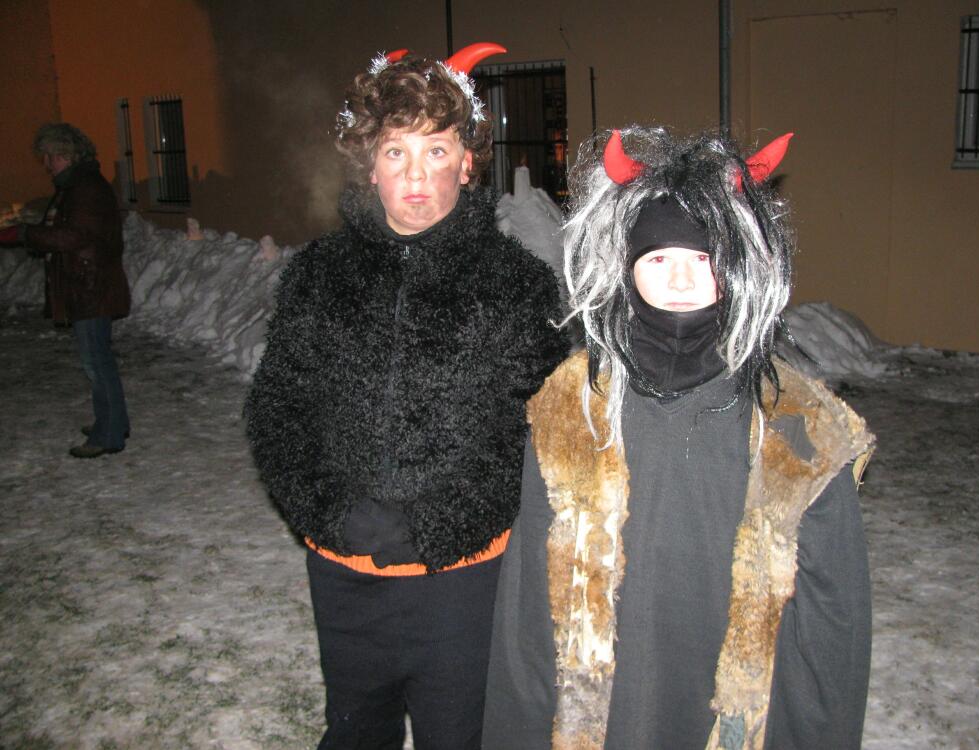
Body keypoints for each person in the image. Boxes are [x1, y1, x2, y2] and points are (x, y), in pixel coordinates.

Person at [482, 127, 875, 750]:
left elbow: (833, 622)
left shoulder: (798, 427)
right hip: (605, 719)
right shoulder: (573, 410)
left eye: (704, 258)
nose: (682, 280)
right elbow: (530, 600)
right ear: (626, 266)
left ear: (737, 265)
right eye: (659, 259)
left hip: (731, 719)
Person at [244, 45, 568, 750]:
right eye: (397, 152)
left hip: (463, 581)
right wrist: (329, 510)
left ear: (467, 162)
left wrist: (437, 524)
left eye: (436, 150)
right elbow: (278, 409)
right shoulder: (319, 275)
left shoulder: (518, 286)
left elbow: (537, 438)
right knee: (356, 732)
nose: (416, 175)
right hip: (343, 571)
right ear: (371, 164)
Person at [0, 123, 131, 458]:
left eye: (52, 157)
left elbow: (75, 236)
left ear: (69, 154)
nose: (47, 164)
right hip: (87, 283)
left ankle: (109, 434)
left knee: (96, 362)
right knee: (97, 359)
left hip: (91, 286)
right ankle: (112, 421)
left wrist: (25, 234)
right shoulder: (76, 185)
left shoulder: (85, 187)